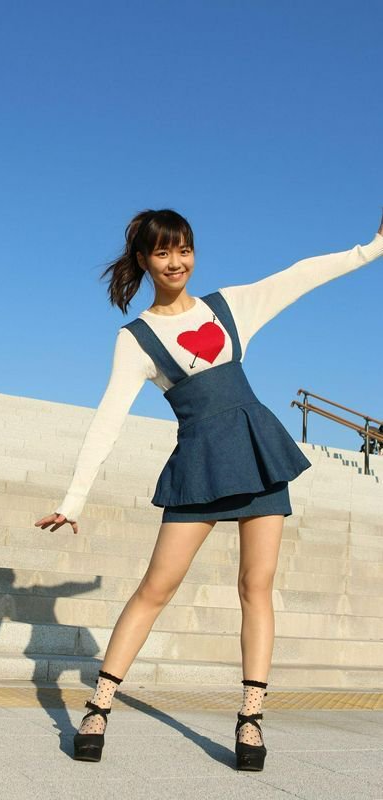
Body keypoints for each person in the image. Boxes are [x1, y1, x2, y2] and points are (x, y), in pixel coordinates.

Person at [35, 208, 383, 771]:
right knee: (155, 588)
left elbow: (299, 275)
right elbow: (108, 418)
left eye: (184, 250)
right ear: (144, 260)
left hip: (256, 451)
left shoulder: (228, 307)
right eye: (163, 252)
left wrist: (372, 248)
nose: (176, 262)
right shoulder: (137, 338)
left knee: (256, 587)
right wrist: (74, 499)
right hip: (198, 462)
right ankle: (98, 707)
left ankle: (251, 719)